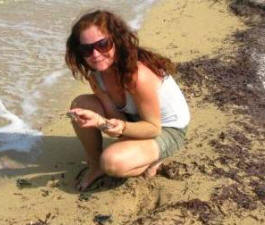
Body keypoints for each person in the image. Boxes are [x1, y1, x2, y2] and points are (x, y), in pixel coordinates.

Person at [65, 10, 190, 191]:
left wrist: (107, 124)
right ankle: (95, 165)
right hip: (135, 118)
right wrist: (108, 124)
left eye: (103, 44)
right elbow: (115, 116)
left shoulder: (138, 75)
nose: (95, 54)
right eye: (86, 49)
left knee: (112, 162)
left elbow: (153, 128)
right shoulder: (96, 74)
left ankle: (152, 159)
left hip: (166, 128)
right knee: (80, 105)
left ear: (117, 40)